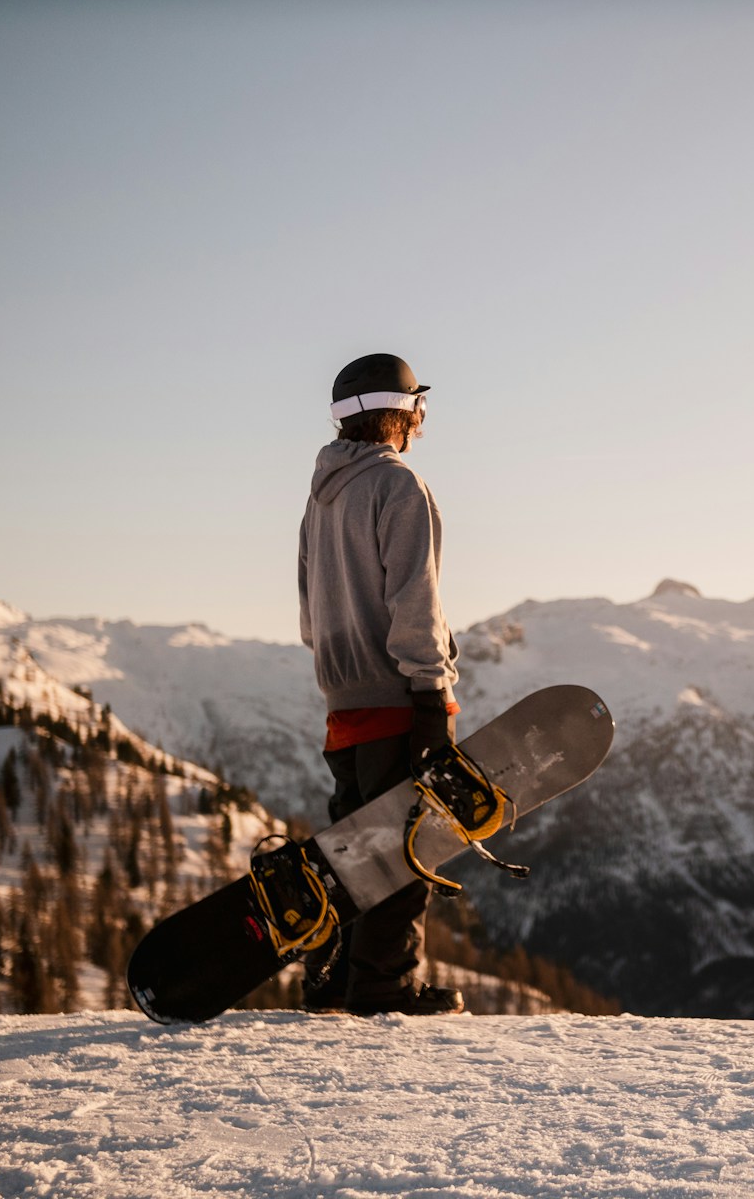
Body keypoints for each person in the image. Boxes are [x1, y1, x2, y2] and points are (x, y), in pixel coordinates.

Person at [296, 351, 465, 1015]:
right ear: (403, 412)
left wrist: (345, 680)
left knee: (354, 848)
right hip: (398, 696)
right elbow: (414, 599)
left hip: (343, 704)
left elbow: (311, 615)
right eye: (418, 404)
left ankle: (335, 977)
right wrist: (430, 693)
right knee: (407, 845)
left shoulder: (321, 498)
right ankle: (384, 983)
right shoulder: (397, 487)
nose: (422, 416)